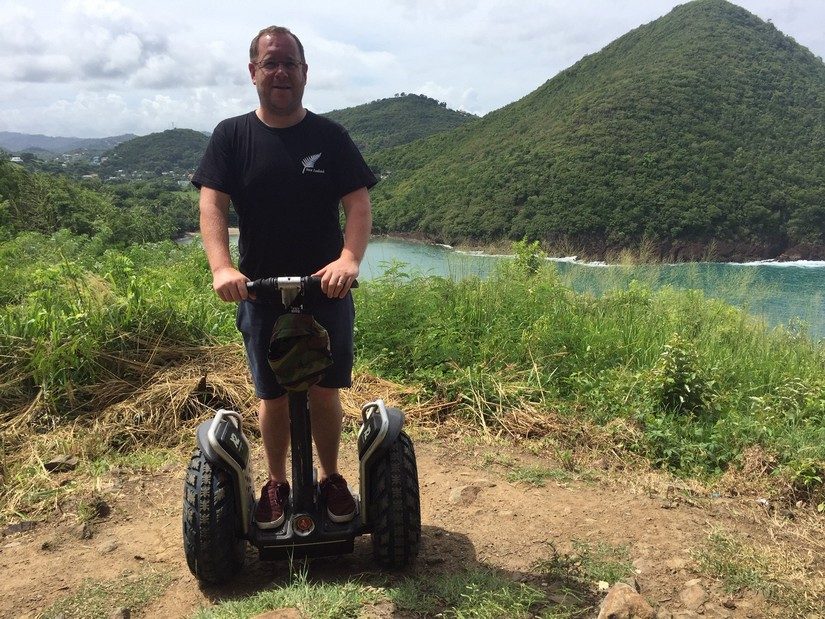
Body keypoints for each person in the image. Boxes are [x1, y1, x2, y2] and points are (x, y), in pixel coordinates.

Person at [192, 25, 376, 529]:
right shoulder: (232, 136)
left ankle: (331, 477)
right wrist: (222, 266)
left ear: (304, 73)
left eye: (289, 63)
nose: (280, 72)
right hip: (259, 289)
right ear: (253, 72)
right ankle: (276, 481)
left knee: (325, 389)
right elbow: (212, 203)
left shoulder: (329, 136)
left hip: (326, 287)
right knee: (271, 394)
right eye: (270, 63)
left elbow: (358, 203)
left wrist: (348, 259)